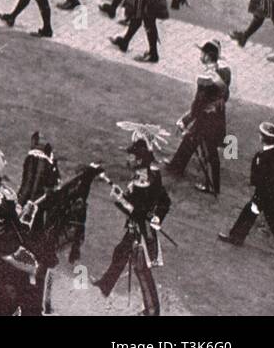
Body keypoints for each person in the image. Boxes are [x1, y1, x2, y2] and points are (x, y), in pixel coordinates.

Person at [92, 136, 171, 316]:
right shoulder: (150, 173)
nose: (128, 159)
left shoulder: (144, 178)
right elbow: (163, 200)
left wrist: (120, 200)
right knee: (121, 252)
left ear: (140, 159)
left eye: (132, 156)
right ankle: (106, 284)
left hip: (141, 229)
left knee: (141, 268)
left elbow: (137, 211)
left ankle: (152, 311)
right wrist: (157, 215)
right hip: (140, 226)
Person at [165, 40, 229, 194]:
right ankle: (177, 165)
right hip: (217, 114)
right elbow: (225, 94)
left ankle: (213, 186)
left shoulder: (205, 78)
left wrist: (185, 120)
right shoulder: (225, 71)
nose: (201, 55)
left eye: (203, 52)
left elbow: (198, 103)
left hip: (207, 118)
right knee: (191, 139)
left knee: (209, 150)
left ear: (208, 56)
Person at [218, 121, 274, 265]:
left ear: (261, 138)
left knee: (273, 222)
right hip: (273, 195)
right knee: (258, 215)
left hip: (264, 195)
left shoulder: (261, 157)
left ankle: (236, 237)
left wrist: (258, 200)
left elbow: (259, 181)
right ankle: (236, 236)